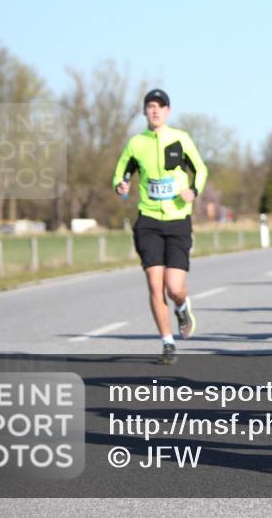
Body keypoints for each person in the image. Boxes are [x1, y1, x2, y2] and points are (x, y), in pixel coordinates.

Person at [113, 89, 208, 365]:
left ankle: (181, 306)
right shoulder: (135, 144)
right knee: (155, 285)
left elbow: (200, 169)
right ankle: (167, 343)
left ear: (168, 111)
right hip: (148, 220)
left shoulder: (181, 139)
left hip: (178, 220)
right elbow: (121, 173)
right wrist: (121, 186)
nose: (155, 111)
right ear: (145, 111)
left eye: (160, 106)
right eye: (150, 106)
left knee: (174, 286)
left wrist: (194, 190)